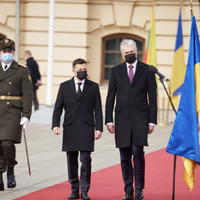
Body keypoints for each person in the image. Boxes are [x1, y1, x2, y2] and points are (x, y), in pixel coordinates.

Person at [105, 39, 157, 200]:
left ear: (137, 51)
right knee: (124, 155)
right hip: (121, 119)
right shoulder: (115, 71)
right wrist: (109, 120)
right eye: (126, 53)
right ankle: (128, 189)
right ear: (122, 54)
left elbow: (153, 98)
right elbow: (110, 97)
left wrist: (152, 121)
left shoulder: (147, 70)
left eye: (131, 52)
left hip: (141, 118)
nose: (129, 55)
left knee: (137, 151)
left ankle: (139, 188)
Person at [52, 58, 103, 200]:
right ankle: (74, 189)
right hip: (70, 127)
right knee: (71, 160)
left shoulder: (93, 86)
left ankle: (85, 190)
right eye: (80, 70)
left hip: (87, 127)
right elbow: (58, 108)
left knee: (86, 159)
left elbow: (98, 109)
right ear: (73, 71)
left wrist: (99, 128)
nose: (83, 72)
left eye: (84, 69)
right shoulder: (64, 86)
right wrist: (55, 125)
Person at [0, 38, 32, 190]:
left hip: (12, 110)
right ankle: (0, 174)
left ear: (13, 52)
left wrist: (26, 114)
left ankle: (10, 170)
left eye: (9, 51)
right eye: (4, 51)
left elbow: (27, 94)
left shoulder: (21, 70)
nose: (7, 54)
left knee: (7, 143)